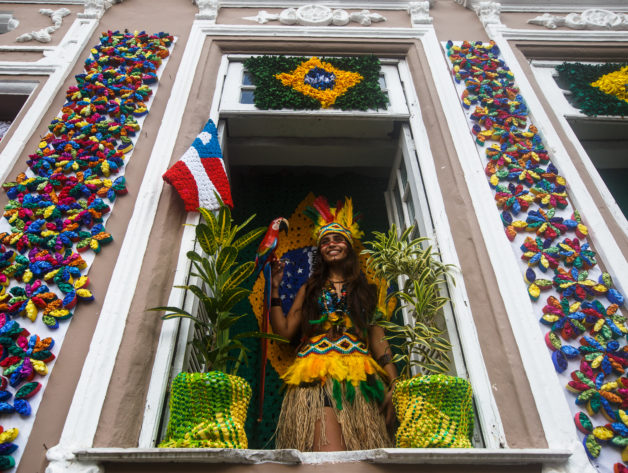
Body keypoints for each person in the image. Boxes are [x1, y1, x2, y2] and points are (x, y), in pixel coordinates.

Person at [269, 196, 397, 452]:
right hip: (316, 376)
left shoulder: (366, 292)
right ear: (321, 250)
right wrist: (274, 288)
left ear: (349, 246)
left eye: (338, 239)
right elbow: (284, 331)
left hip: (361, 378)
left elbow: (378, 339)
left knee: (364, 455)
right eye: (325, 241)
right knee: (330, 455)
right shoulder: (310, 288)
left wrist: (394, 383)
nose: (331, 244)